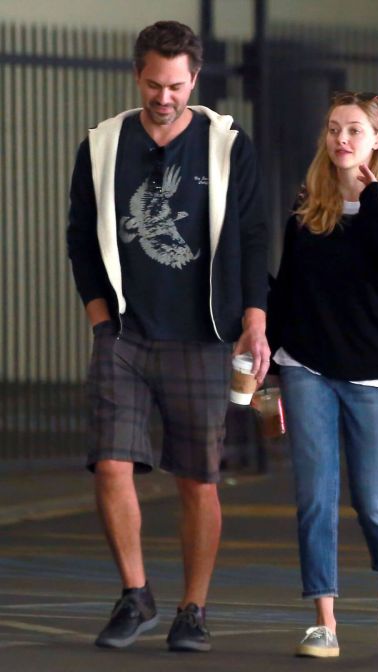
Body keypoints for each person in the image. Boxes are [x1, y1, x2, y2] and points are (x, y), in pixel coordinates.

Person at [67, 20, 270, 653]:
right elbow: (80, 239)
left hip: (204, 337)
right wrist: (102, 321)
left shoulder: (227, 146)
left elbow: (254, 237)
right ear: (138, 74)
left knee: (198, 479)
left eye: (176, 86)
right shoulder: (101, 146)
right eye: (154, 84)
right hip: (125, 336)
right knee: (111, 463)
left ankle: (193, 609)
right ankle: (136, 594)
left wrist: (255, 320)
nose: (164, 97)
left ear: (195, 79)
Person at [268, 91, 378, 658]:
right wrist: (266, 355)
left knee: (373, 500)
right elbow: (287, 290)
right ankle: (324, 621)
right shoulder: (307, 208)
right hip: (306, 366)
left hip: (375, 375)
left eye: (355, 130)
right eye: (334, 128)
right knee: (315, 497)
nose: (341, 139)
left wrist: (374, 200)